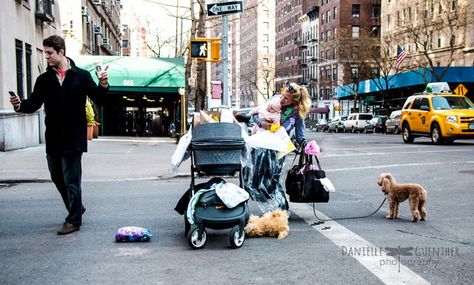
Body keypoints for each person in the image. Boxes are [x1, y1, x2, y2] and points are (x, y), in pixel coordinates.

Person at [9, 35, 109, 235]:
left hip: (74, 137)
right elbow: (34, 103)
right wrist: (20, 105)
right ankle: (76, 207)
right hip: (53, 137)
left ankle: (74, 220)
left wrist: (103, 84)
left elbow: (99, 98)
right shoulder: (44, 79)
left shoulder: (81, 76)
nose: (46, 56)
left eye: (49, 53)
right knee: (57, 177)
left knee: (72, 179)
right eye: (45, 53)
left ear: (61, 52)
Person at [244, 82, 311, 212]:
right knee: (255, 179)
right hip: (261, 145)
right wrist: (261, 123)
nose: (282, 99)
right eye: (282, 95)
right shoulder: (275, 102)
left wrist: (307, 146)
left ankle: (281, 210)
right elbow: (256, 113)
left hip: (279, 148)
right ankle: (270, 208)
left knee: (273, 180)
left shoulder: (296, 114)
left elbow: (299, 136)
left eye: (286, 98)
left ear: (294, 102)